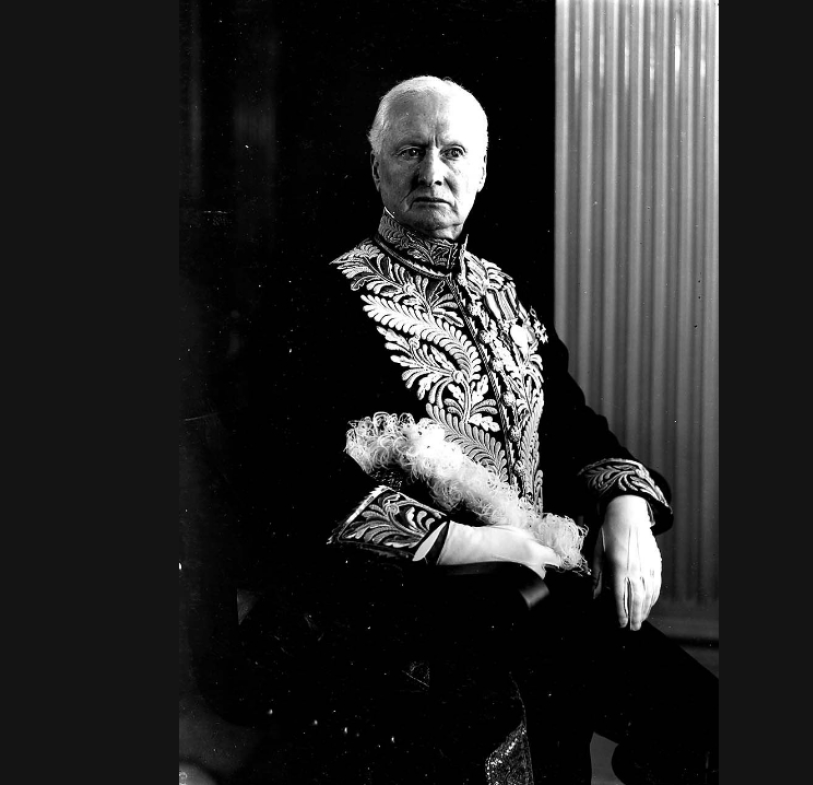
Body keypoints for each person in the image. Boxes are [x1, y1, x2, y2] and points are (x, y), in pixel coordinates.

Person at [228, 75, 717, 785]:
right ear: (376, 168)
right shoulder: (322, 298)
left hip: (533, 591)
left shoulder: (503, 290)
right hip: (400, 604)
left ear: (482, 171)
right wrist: (480, 542)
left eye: (453, 152)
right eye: (410, 151)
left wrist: (627, 508)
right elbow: (297, 478)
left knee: (696, 716)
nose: (432, 171)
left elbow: (574, 428)